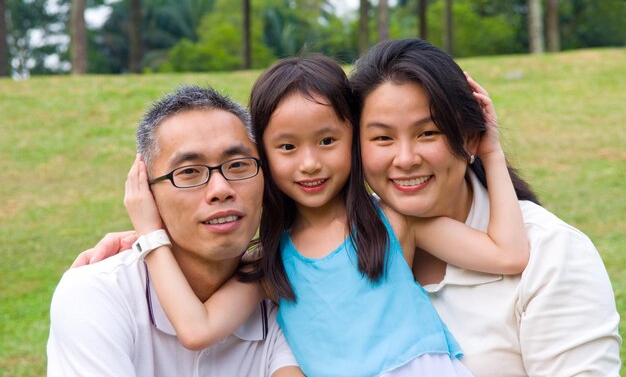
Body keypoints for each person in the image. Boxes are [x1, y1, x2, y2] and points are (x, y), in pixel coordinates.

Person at [118, 54, 530, 376]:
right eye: (287, 147)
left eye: (327, 140)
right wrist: (149, 234)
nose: (310, 163)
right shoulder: (272, 262)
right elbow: (197, 329)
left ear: (354, 137)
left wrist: (490, 152)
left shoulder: (394, 221)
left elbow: (508, 255)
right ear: (260, 153)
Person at [350, 38, 622, 376]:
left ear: (468, 137)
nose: (405, 159)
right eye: (382, 138)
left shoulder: (552, 253)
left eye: (428, 133)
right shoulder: (339, 247)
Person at [46, 86, 302, 376]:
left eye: (238, 165)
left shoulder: (286, 291)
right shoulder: (99, 294)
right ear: (145, 191)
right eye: (189, 172)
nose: (221, 190)